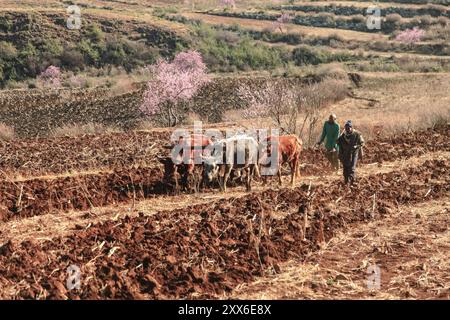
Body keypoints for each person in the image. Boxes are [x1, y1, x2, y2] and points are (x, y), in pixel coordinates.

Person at [337, 120, 364, 185]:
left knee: (352, 168)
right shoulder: (343, 136)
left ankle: (352, 182)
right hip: (345, 154)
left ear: (351, 127)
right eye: (346, 128)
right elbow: (338, 143)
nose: (347, 129)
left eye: (349, 128)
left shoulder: (357, 134)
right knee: (345, 168)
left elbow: (362, 143)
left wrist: (356, 146)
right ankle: (346, 182)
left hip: (354, 153)